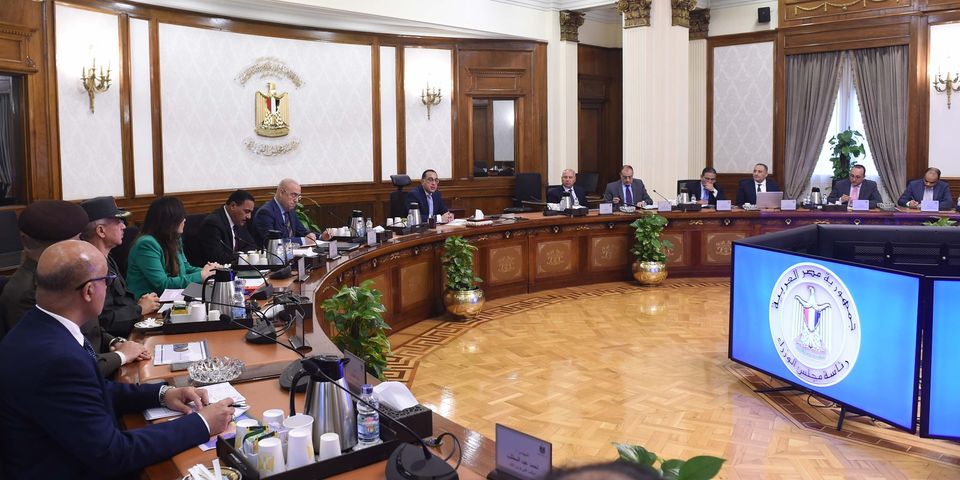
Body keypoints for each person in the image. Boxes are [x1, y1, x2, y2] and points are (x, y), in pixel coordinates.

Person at [0, 240, 234, 479]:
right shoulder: (57, 358)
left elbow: (92, 390)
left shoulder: (38, 327)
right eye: (107, 280)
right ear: (89, 291)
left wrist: (162, 394)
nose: (109, 287)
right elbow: (113, 454)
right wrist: (202, 423)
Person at [0, 200, 88, 339]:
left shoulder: (64, 274)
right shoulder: (28, 293)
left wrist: (114, 342)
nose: (82, 246)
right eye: (77, 240)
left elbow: (91, 328)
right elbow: (46, 347)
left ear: (24, 240)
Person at [80, 196, 160, 337]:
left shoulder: (107, 258)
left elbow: (120, 302)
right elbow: (103, 320)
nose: (124, 226)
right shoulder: (91, 267)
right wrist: (139, 309)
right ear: (101, 231)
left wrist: (140, 305)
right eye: (118, 222)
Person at [126, 196, 217, 298]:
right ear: (169, 221)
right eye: (181, 217)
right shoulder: (146, 244)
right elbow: (163, 284)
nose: (184, 220)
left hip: (173, 296)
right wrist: (201, 275)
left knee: (214, 295)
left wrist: (210, 271)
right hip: (150, 301)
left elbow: (186, 268)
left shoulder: (174, 238)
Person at [252, 178, 318, 247]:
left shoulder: (290, 210)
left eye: (298, 196)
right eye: (294, 195)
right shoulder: (265, 213)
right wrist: (303, 241)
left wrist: (320, 236)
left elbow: (302, 232)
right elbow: (272, 243)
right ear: (281, 193)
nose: (296, 200)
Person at [199, 189, 257, 264]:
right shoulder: (212, 223)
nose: (249, 216)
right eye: (246, 211)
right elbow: (219, 258)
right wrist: (242, 255)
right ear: (233, 206)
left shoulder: (239, 220)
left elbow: (252, 246)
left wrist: (237, 255)